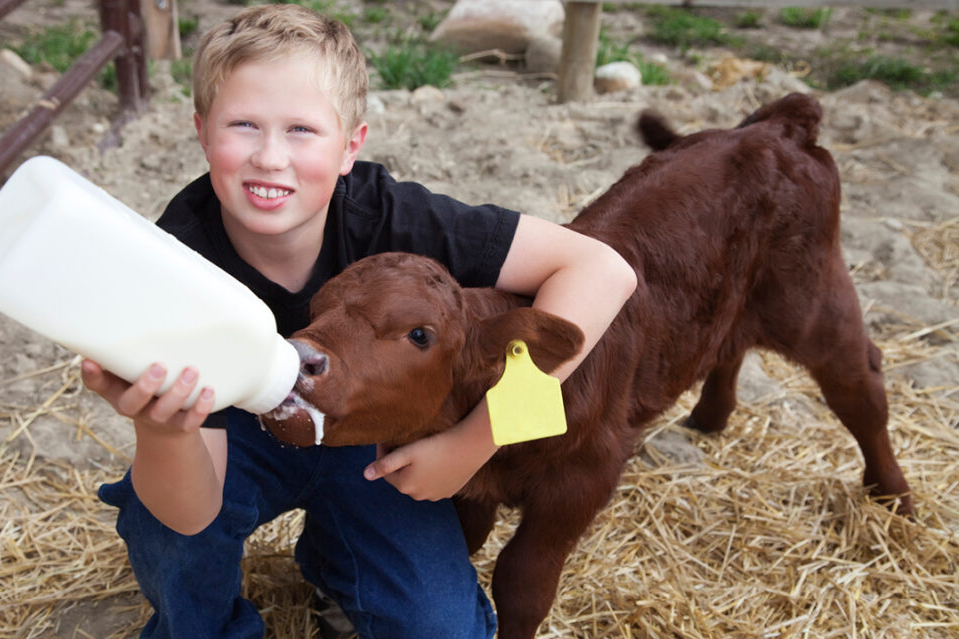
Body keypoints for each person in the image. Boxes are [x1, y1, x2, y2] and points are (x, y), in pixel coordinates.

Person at [82, 4, 637, 639]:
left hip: (375, 440)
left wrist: (475, 441)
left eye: (301, 129)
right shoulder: (178, 267)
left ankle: (334, 562)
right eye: (243, 125)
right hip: (239, 438)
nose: (270, 156)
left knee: (441, 630)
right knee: (163, 526)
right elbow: (189, 514)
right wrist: (163, 433)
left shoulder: (389, 218)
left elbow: (601, 270)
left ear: (350, 146)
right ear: (202, 132)